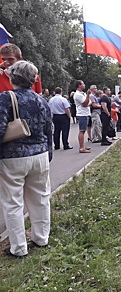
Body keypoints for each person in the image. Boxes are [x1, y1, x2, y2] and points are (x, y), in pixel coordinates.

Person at [0, 61, 53, 257]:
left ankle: (19, 248)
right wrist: (49, 153)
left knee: (13, 203)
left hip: (13, 157)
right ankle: (41, 238)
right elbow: (49, 130)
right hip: (40, 155)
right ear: (33, 79)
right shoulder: (42, 100)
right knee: (40, 199)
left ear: (12, 77)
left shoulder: (6, 98)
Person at [74, 80, 92, 153]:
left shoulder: (82, 93)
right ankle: (81, 148)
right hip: (82, 114)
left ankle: (83, 146)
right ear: (79, 85)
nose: (84, 85)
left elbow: (89, 101)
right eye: (83, 84)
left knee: (83, 130)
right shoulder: (78, 94)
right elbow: (85, 103)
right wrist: (87, 95)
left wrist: (87, 102)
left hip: (85, 113)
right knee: (82, 131)